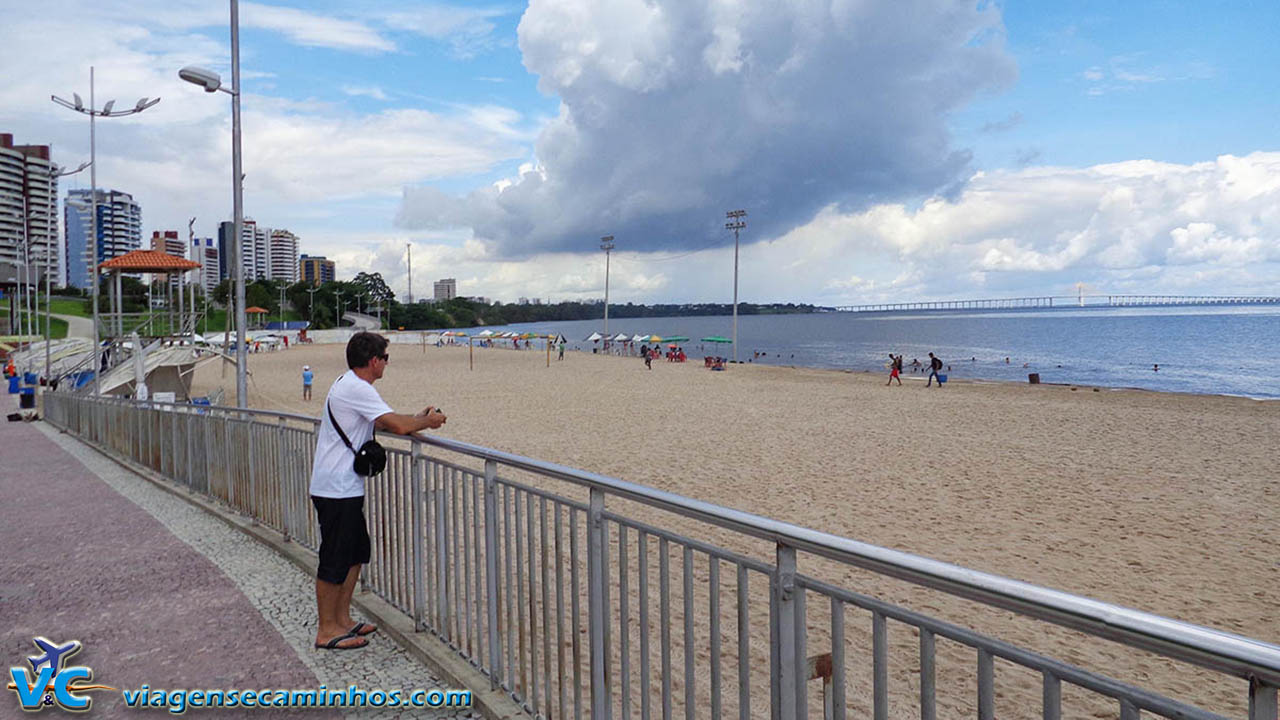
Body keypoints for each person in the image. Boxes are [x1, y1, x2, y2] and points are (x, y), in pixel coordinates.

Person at [309, 332, 446, 650]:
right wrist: (429, 422)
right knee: (335, 558)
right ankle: (326, 630)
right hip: (336, 487)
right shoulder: (357, 387)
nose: (386, 363)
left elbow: (385, 422)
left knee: (355, 553)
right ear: (374, 361)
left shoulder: (351, 384)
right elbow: (396, 426)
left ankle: (342, 620)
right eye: (385, 358)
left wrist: (418, 419)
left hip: (341, 485)